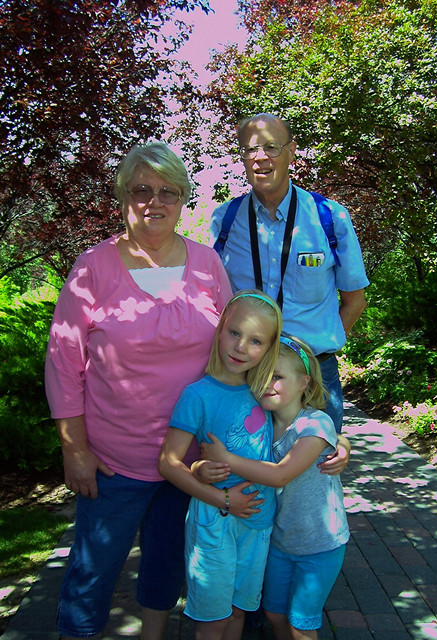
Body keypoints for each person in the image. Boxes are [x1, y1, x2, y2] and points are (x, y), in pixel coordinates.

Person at [44, 142, 260, 640]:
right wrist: (74, 450)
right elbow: (63, 364)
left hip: (190, 460)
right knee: (93, 569)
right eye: (141, 189)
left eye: (167, 191)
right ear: (123, 196)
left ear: (183, 199)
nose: (154, 201)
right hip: (113, 460)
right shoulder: (93, 269)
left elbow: (240, 348)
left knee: (165, 562)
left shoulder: (207, 264)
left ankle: (153, 635)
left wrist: (302, 418)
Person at [210, 112, 369, 434]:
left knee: (314, 480)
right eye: (250, 150)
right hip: (245, 380)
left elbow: (355, 300)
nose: (260, 158)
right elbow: (214, 305)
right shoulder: (224, 221)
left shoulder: (330, 218)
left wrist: (313, 353)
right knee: (246, 480)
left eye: (271, 147)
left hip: (313, 383)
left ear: (291, 150)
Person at [202, 334, 350, 640]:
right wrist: (203, 467)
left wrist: (226, 458)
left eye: (278, 376)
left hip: (321, 543)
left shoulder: (315, 424)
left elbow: (282, 474)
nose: (267, 383)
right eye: (261, 375)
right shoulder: (263, 423)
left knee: (301, 623)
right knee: (274, 613)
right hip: (282, 541)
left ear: (304, 383)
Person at [158, 290, 283, 640]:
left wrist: (343, 443)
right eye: (235, 333)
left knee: (239, 612)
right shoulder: (197, 395)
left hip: (258, 524)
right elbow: (168, 464)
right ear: (220, 328)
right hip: (216, 522)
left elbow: (309, 422)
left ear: (269, 348)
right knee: (213, 619)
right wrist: (221, 498)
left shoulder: (266, 392)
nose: (241, 347)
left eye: (256, 341)